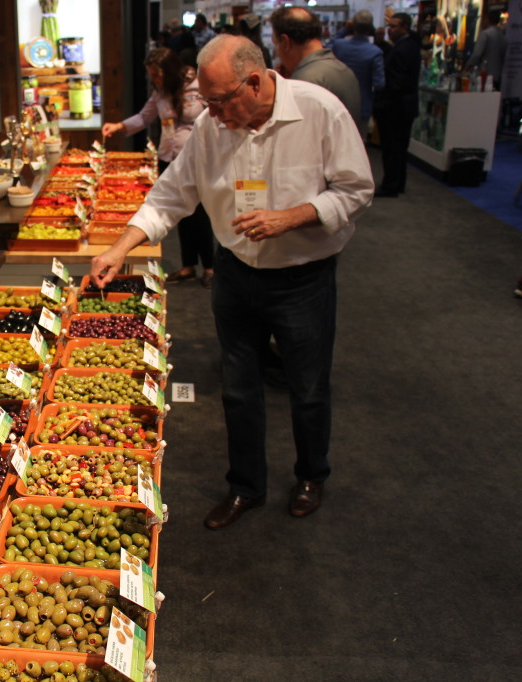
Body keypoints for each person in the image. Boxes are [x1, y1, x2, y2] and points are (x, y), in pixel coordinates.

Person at [89, 36, 373, 529]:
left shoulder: (319, 111)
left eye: (219, 101)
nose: (213, 114)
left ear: (257, 81)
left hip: (303, 279)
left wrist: (294, 216)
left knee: (307, 387)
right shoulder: (209, 129)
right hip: (236, 276)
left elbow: (356, 190)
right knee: (239, 390)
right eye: (206, 101)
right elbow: (169, 196)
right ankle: (245, 486)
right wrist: (119, 248)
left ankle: (311, 475)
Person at [101, 48, 214, 287]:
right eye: (151, 75)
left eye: (157, 74)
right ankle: (187, 265)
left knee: (200, 215)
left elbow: (203, 117)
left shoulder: (196, 86)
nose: (155, 79)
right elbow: (144, 117)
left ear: (170, 71)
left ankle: (210, 266)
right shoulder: (160, 92)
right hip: (169, 156)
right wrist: (119, 126)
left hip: (195, 159)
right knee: (179, 214)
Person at [271, 7, 360, 129]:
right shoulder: (343, 69)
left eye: (276, 43)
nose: (278, 54)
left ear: (285, 42)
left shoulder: (304, 81)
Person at [374, 13, 420, 197]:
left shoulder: (403, 48)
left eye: (394, 26)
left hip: (396, 107)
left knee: (394, 148)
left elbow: (398, 82)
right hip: (401, 106)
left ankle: (391, 185)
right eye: (389, 26)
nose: (389, 30)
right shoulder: (406, 46)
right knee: (398, 148)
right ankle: (396, 182)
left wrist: (383, 97)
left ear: (404, 28)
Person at [330, 10, 385, 139]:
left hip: (338, 100)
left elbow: (327, 46)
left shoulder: (339, 45)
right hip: (362, 104)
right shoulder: (375, 52)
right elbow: (379, 83)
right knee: (357, 144)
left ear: (353, 26)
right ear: (371, 28)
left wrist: (344, 30)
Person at [464, 9, 507, 91]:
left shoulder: (485, 34)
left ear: (487, 19)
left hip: (483, 76)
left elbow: (476, 55)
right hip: (497, 77)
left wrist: (467, 69)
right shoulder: (503, 37)